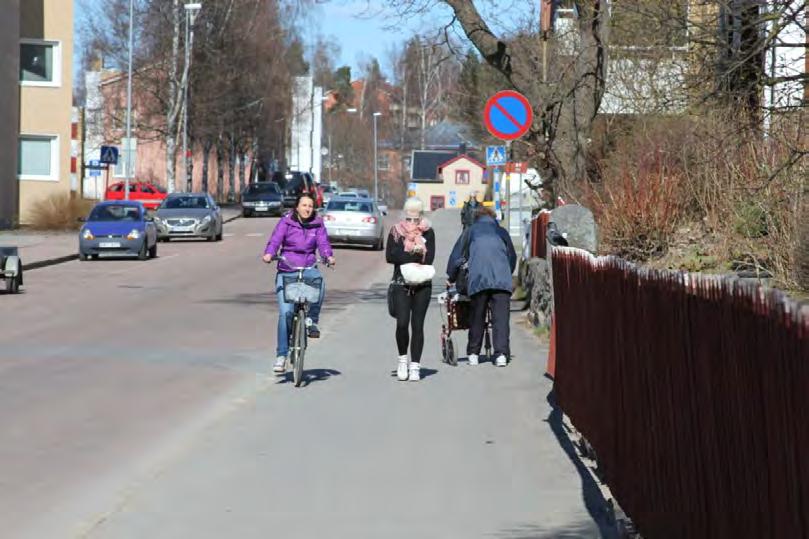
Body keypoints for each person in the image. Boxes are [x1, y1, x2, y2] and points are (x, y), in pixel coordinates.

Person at [262, 193, 335, 373]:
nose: (307, 209)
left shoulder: (317, 223)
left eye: (310, 206)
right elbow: (275, 240)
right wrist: (270, 253)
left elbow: (323, 243)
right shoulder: (286, 222)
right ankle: (281, 355)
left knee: (319, 282)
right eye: (304, 205)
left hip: (308, 266)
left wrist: (327, 256)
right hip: (287, 268)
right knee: (286, 313)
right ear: (297, 207)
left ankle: (311, 320)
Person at [447, 206, 516, 367]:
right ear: (493, 218)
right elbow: (512, 256)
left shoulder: (470, 231)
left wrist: (451, 277)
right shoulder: (502, 232)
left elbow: (457, 256)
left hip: (479, 279)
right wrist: (507, 273)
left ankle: (473, 354)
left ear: (476, 218)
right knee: (501, 319)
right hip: (502, 281)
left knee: (477, 316)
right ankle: (501, 355)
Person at [385, 197, 436, 382]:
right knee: (402, 323)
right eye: (409, 218)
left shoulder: (428, 233)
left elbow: (429, 258)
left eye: (416, 218)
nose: (412, 223)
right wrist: (413, 253)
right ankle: (402, 360)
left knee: (418, 326)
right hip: (401, 283)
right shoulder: (396, 231)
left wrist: (410, 254)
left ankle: (415, 366)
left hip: (422, 285)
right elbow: (390, 255)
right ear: (404, 216)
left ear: (421, 216)